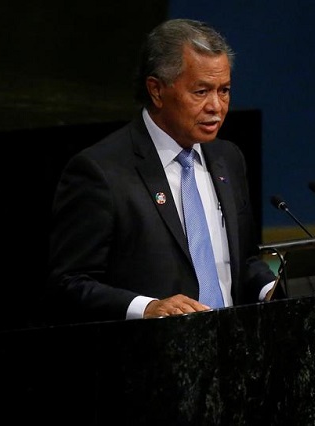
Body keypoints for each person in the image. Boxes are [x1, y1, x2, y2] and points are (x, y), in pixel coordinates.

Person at [46, 18, 276, 324]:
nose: (216, 106)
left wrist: (272, 288)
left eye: (224, 90)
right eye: (201, 92)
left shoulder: (228, 158)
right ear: (156, 90)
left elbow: (243, 262)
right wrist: (147, 308)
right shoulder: (100, 172)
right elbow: (69, 284)